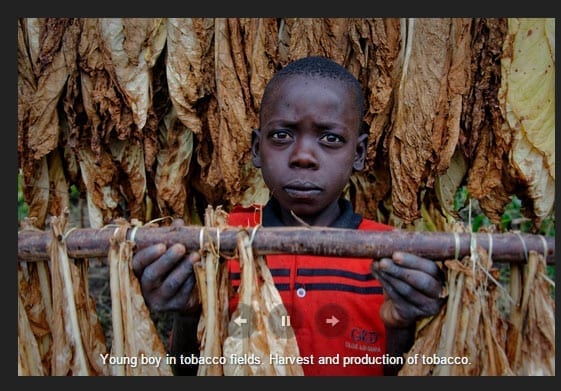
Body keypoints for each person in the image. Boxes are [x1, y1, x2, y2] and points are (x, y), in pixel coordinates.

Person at [133, 56, 445, 376]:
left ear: (359, 153)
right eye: (282, 136)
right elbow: (187, 369)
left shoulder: (391, 259)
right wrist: (188, 312)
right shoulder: (217, 249)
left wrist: (402, 325)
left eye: (331, 138)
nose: (303, 157)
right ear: (257, 148)